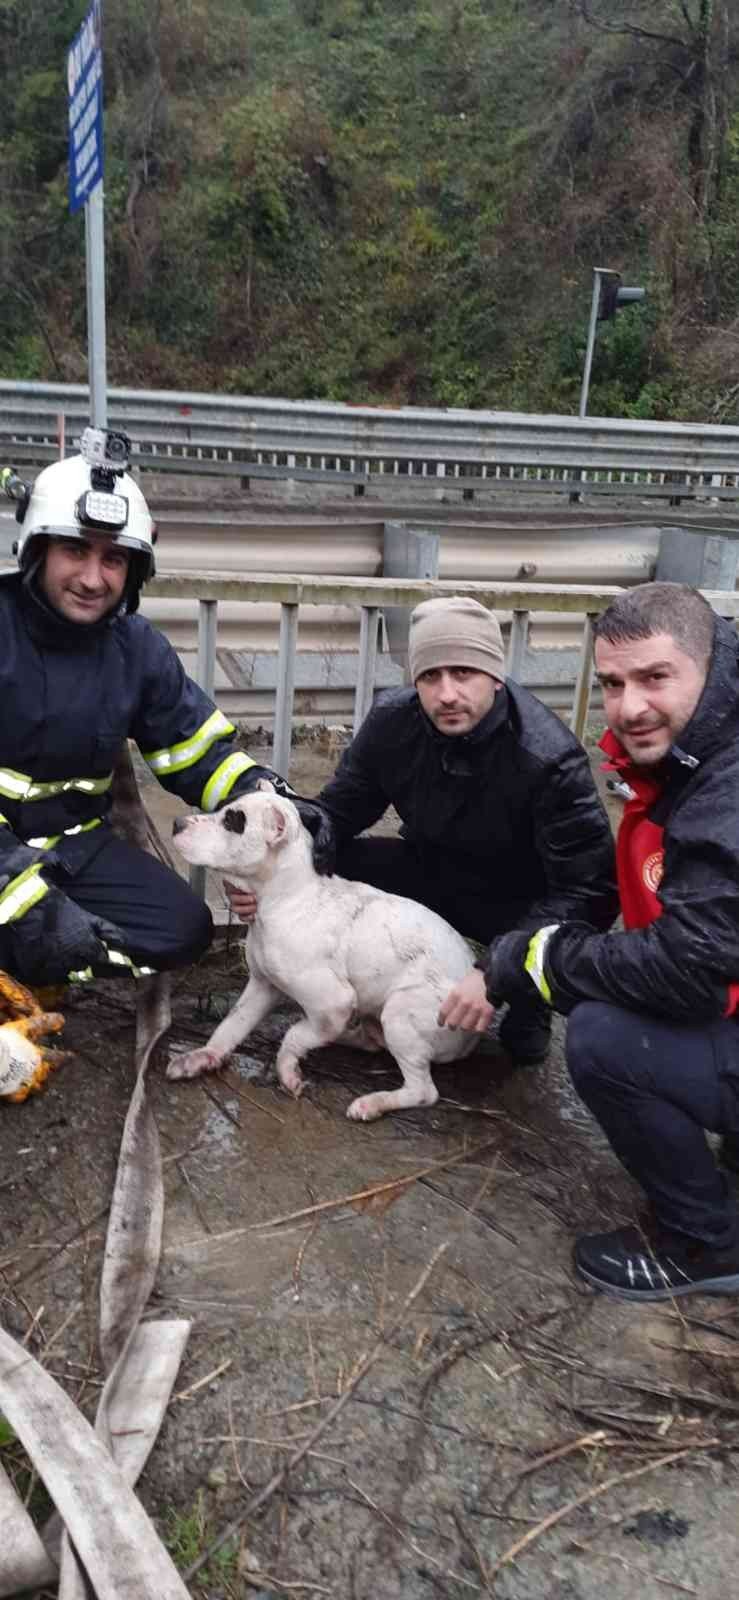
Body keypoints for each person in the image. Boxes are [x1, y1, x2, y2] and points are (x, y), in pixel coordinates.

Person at [0, 439, 332, 1006]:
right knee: (28, 916)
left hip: (73, 847)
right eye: (75, 550)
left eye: (113, 559)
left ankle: (38, 958)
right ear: (37, 551)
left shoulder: (137, 649)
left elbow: (197, 753)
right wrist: (19, 893)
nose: (93, 578)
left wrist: (272, 798)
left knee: (183, 928)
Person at [483, 581, 739, 1301]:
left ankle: (705, 1244)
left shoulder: (725, 791)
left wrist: (535, 958)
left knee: (606, 1037)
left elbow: (688, 966)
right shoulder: (700, 755)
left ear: (708, 667)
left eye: (655, 678)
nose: (628, 708)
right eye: (612, 684)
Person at [229, 595, 617, 1064]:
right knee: (330, 859)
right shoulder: (393, 722)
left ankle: (527, 1001)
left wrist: (500, 967)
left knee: (520, 1046)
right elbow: (336, 815)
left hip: (515, 899)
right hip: (430, 867)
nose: (447, 694)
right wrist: (268, 876)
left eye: (464, 673)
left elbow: (589, 891)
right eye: (431, 676)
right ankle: (351, 976)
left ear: (496, 676)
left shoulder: (549, 757)